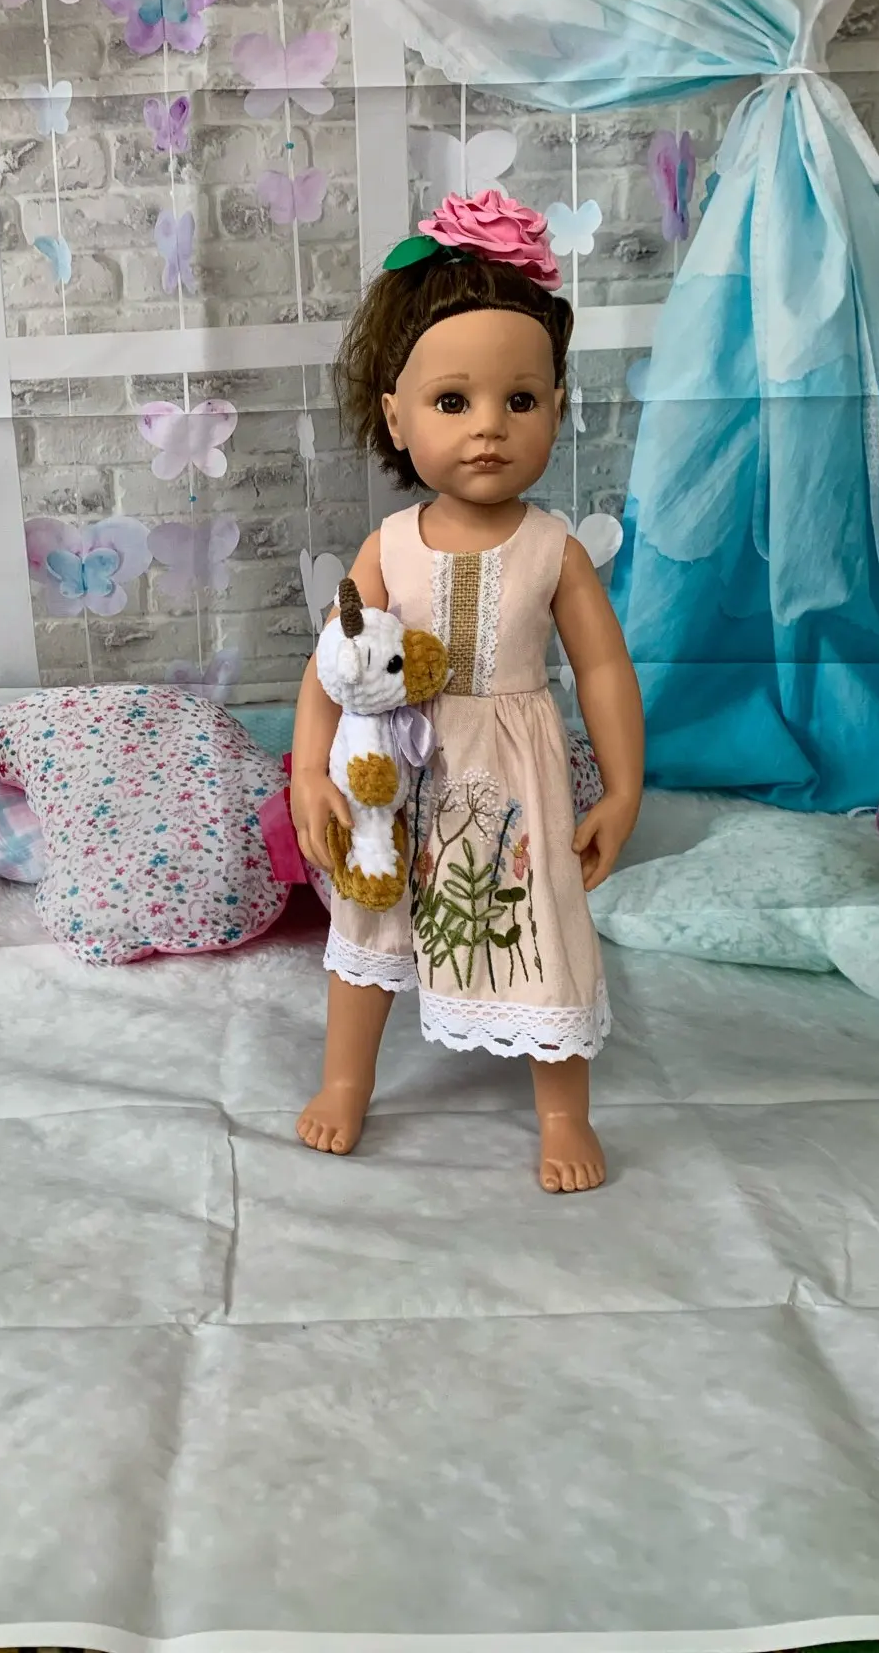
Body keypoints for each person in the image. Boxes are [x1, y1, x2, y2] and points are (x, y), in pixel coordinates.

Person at [290, 188, 644, 1193]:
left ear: (556, 409)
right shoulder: (390, 545)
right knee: (371, 920)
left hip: (513, 776)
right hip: (394, 775)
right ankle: (347, 1077)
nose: (489, 428)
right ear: (396, 417)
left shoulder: (552, 548)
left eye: (519, 401)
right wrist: (308, 770)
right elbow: (333, 663)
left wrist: (624, 787)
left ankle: (564, 1109)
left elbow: (603, 667)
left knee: (539, 923)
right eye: (454, 402)